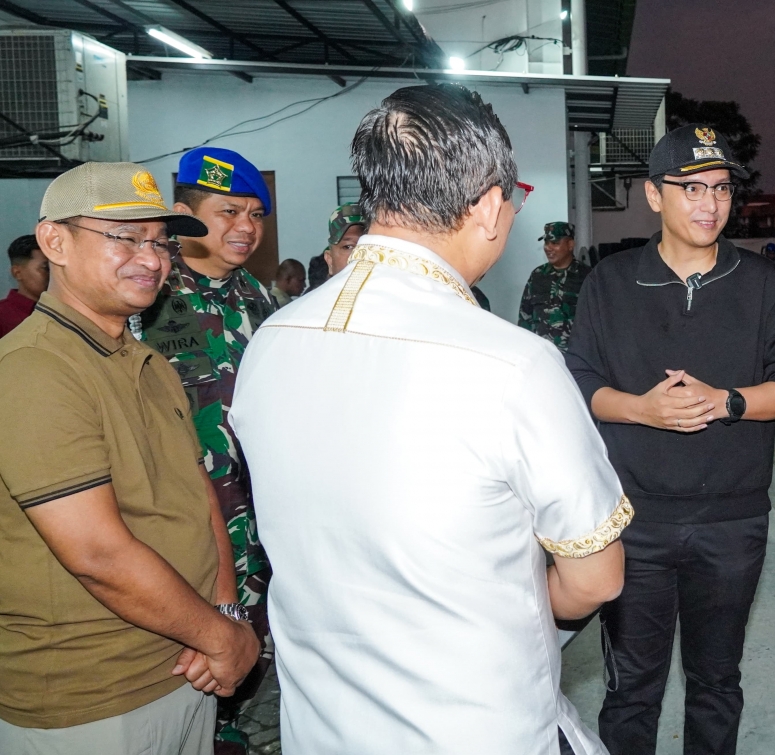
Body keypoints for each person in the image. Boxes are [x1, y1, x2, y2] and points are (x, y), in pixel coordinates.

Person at [228, 83, 627, 755]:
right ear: (493, 206)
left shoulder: (271, 339)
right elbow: (596, 576)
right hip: (474, 725)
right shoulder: (513, 364)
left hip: (322, 725)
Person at [566, 124, 775, 755]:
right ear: (654, 196)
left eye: (722, 188)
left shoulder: (764, 284)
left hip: (731, 523)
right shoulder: (611, 282)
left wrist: (729, 402)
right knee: (631, 689)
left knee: (716, 681)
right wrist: (641, 411)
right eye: (691, 188)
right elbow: (579, 381)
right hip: (636, 520)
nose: (710, 203)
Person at [0, 161, 260, 755]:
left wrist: (224, 614)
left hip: (182, 665)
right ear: (54, 242)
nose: (152, 258)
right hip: (94, 695)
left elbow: (200, 501)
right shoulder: (34, 370)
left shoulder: (148, 364)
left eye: (160, 242)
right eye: (125, 238)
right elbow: (97, 554)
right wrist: (222, 637)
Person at [135, 146, 276, 755]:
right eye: (227, 212)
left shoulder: (259, 300)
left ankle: (231, 730)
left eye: (254, 214)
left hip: (255, 518)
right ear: (183, 215)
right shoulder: (147, 296)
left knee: (246, 643)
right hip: (179, 520)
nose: (244, 227)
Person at [518, 221, 590, 350]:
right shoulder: (538, 276)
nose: (548, 248)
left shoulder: (586, 277)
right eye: (546, 242)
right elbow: (525, 317)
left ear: (570, 245)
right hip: (542, 356)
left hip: (574, 357)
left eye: (555, 243)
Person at [0, 234, 50, 337]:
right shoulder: (2, 316)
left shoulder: (62, 311)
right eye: (46, 268)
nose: (54, 276)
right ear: (17, 273)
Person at [322, 202, 364, 276]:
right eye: (348, 247)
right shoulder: (324, 288)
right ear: (330, 260)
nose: (358, 254)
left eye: (366, 246)